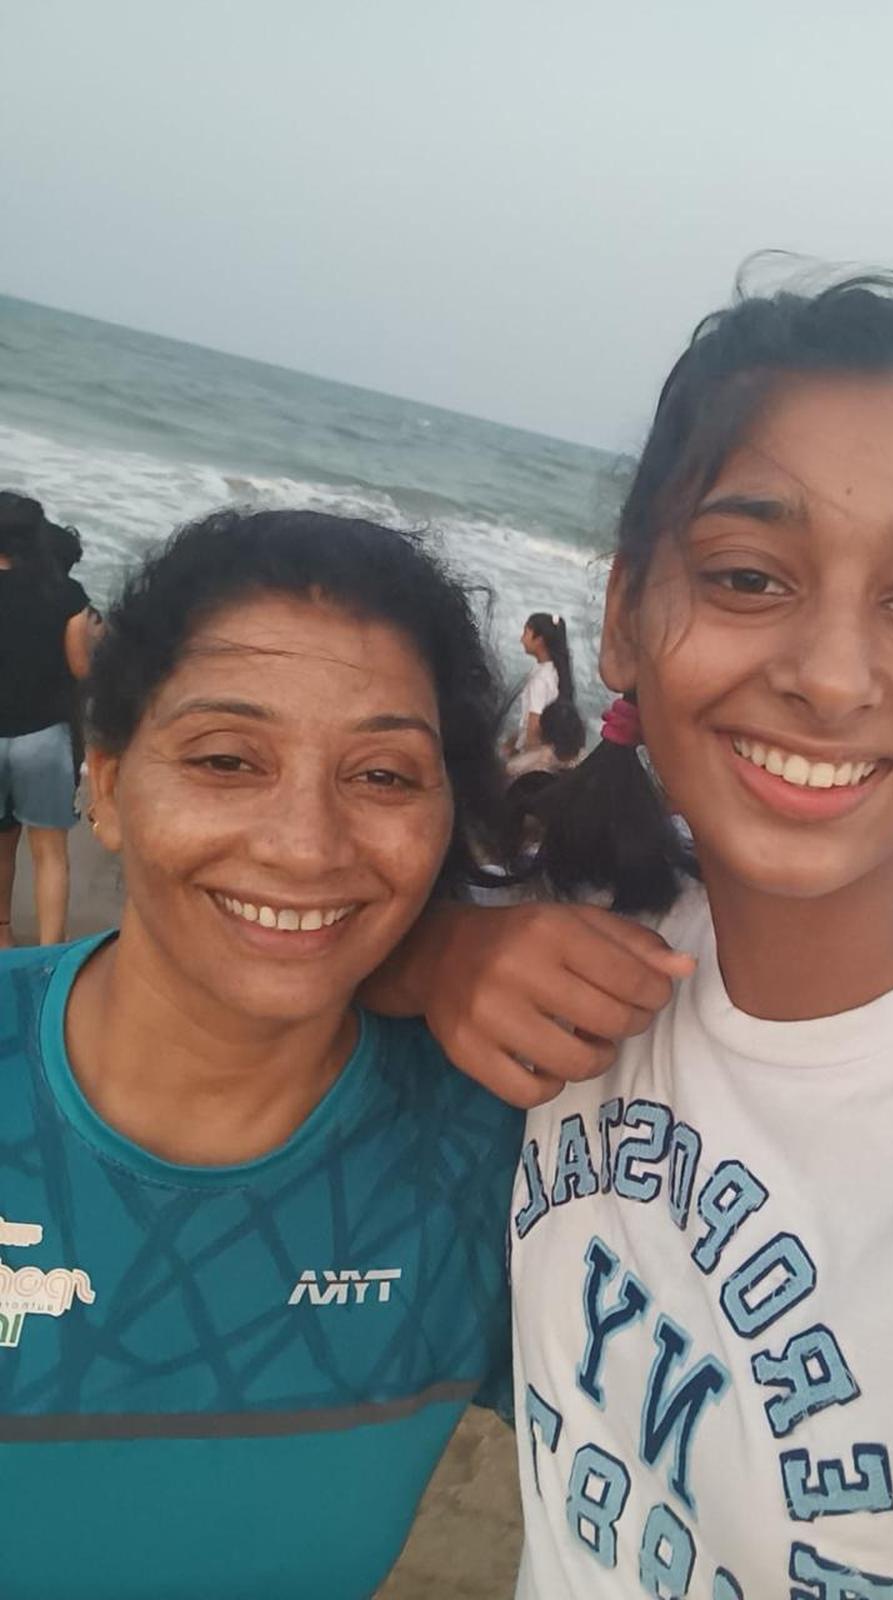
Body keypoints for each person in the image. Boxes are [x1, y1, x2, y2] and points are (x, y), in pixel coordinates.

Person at [369, 273, 893, 1597]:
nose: (828, 675)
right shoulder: (589, 930)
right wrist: (434, 961)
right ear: (628, 614)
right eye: (750, 576)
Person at [0, 509, 521, 1599]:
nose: (303, 844)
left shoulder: (498, 1162)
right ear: (104, 780)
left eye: (382, 776)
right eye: (228, 758)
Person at [0, 493, 98, 946]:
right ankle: (49, 949)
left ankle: (1, 942)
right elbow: (81, 669)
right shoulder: (64, 594)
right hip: (42, 738)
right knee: (51, 854)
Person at [505, 610, 585, 776]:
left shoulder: (539, 681)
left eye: (526, 633)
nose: (521, 639)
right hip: (555, 748)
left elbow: (534, 727)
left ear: (539, 640)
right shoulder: (556, 671)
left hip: (540, 755)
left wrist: (523, 758)